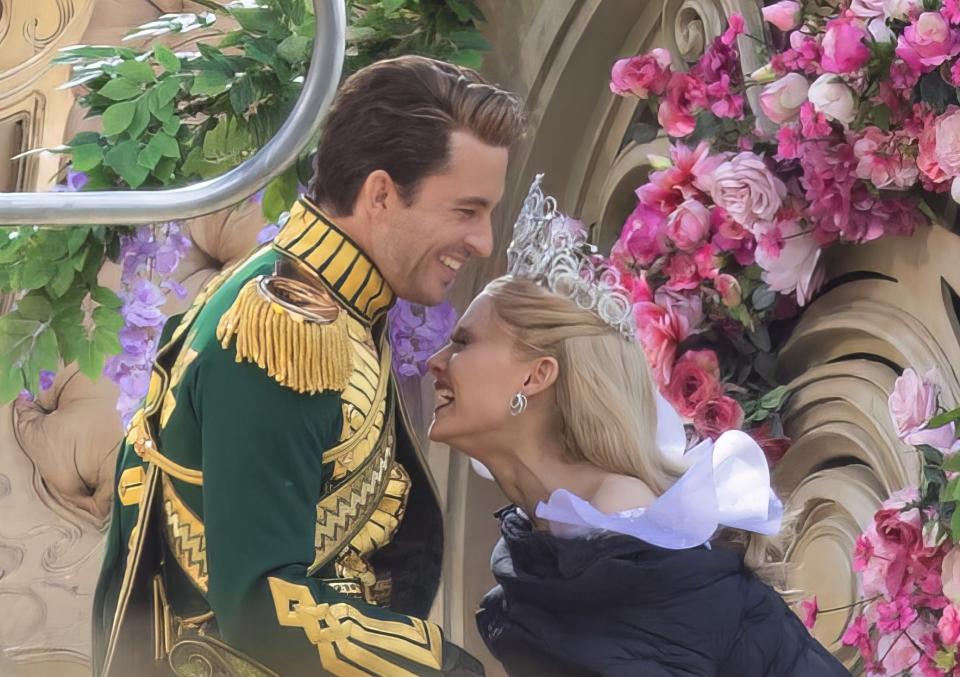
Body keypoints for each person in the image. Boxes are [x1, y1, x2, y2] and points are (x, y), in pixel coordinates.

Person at [92, 55, 525, 677]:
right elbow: (263, 606)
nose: (483, 241)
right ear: (380, 194)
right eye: (466, 210)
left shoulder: (332, 298)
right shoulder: (283, 331)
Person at [426, 176, 849, 676]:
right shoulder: (553, 538)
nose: (436, 360)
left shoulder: (622, 520)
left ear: (536, 375)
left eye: (463, 341)